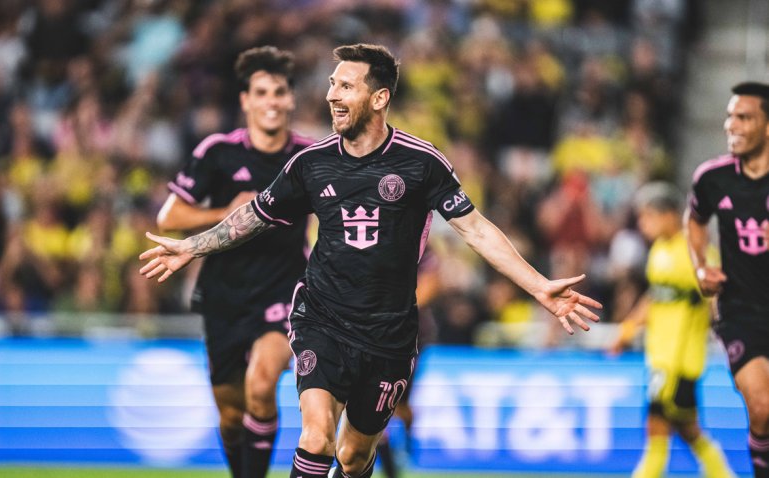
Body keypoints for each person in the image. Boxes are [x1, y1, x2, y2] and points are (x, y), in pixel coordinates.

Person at [140, 43, 601, 478]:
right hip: (321, 318)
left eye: (345, 86)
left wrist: (539, 285)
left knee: (354, 455)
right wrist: (191, 246)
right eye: (331, 85)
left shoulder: (422, 163)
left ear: (379, 98)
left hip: (389, 335)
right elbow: (253, 215)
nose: (332, 96)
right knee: (316, 437)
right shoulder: (310, 163)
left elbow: (475, 228)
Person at [156, 46, 314, 478]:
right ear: (245, 100)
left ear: (291, 99)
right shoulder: (218, 151)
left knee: (261, 384)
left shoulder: (310, 157)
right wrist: (230, 211)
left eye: (279, 92)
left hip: (285, 289)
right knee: (231, 415)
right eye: (261, 92)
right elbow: (169, 216)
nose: (271, 101)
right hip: (225, 292)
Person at [610, 182, 734, 478]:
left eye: (647, 216)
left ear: (668, 215)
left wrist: (728, 335)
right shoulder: (659, 250)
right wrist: (627, 330)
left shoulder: (697, 252)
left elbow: (717, 297)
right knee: (686, 429)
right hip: (660, 355)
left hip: (681, 359)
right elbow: (655, 296)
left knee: (656, 428)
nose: (643, 224)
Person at [686, 81, 769, 478]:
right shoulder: (712, 177)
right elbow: (696, 221)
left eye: (743, 117)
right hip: (740, 310)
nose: (730, 125)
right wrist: (701, 266)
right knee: (762, 406)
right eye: (729, 116)